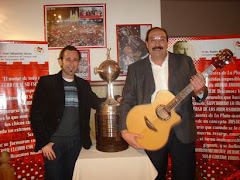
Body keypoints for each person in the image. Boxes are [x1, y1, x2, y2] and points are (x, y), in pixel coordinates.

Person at [120, 27, 208, 180]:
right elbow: (127, 100)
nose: (157, 43)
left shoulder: (185, 62)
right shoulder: (135, 69)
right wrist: (124, 130)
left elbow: (199, 93)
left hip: (182, 130)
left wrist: (200, 90)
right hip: (150, 129)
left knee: (185, 176)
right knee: (153, 176)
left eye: (161, 39)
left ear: (167, 43)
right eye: (153, 39)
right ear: (146, 44)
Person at [30, 45, 103, 180]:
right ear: (60, 61)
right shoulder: (47, 82)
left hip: (77, 144)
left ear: (79, 63)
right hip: (53, 146)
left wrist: (116, 99)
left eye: (75, 60)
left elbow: (97, 103)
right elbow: (35, 115)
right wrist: (44, 143)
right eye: (68, 59)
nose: (71, 63)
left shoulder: (83, 85)